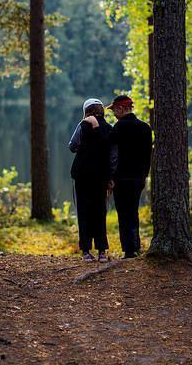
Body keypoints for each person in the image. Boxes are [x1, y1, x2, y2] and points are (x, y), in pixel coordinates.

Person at [105, 95, 152, 258]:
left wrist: (109, 177)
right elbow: (148, 156)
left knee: (123, 213)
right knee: (133, 211)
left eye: (114, 110)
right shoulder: (145, 128)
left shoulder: (118, 128)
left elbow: (108, 152)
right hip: (138, 178)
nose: (113, 114)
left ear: (121, 109)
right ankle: (135, 245)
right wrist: (144, 176)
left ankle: (128, 249)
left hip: (121, 178)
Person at [69, 98, 112, 263]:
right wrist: (110, 177)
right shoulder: (110, 128)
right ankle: (102, 251)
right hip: (101, 176)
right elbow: (113, 155)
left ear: (86, 111)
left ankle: (86, 251)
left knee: (83, 211)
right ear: (102, 110)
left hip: (82, 174)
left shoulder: (83, 125)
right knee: (100, 212)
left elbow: (72, 146)